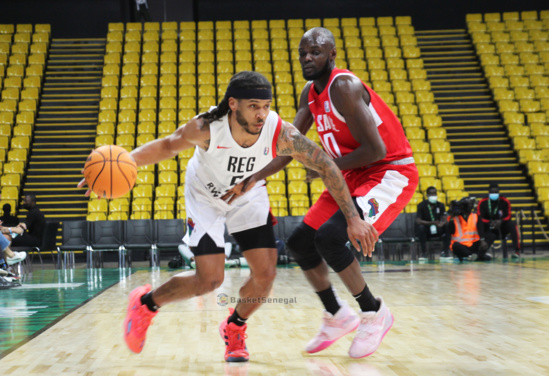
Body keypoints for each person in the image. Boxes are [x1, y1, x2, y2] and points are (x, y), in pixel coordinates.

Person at [78, 71, 378, 362]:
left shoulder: (280, 133)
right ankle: (146, 304)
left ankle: (234, 327)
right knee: (209, 280)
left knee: (266, 274)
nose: (261, 114)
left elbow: (326, 165)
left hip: (246, 195)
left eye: (265, 107)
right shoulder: (207, 127)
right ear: (233, 104)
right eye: (253, 107)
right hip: (205, 196)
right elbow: (169, 146)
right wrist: (119, 163)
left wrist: (352, 217)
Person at [224, 28, 418, 358]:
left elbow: (375, 149)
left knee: (330, 238)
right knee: (300, 242)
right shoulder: (309, 94)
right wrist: (254, 177)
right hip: (347, 173)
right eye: (302, 53)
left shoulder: (344, 86)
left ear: (332, 54)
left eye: (314, 52)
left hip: (388, 171)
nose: (307, 58)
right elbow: (288, 147)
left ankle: (373, 313)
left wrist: (326, 166)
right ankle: (336, 315)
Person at [477, 183, 521, 259]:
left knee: (512, 224)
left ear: (499, 192)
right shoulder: (482, 202)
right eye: (492, 192)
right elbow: (479, 218)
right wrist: (490, 222)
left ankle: (516, 251)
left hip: (501, 226)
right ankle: (482, 252)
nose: (494, 194)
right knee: (481, 226)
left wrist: (501, 221)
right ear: (489, 193)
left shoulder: (505, 201)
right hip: (488, 227)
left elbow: (508, 216)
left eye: (496, 192)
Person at [448, 197, 496, 262]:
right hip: (461, 245)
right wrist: (452, 216)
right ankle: (477, 256)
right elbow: (451, 231)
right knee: (455, 246)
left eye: (471, 204)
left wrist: (482, 240)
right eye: (469, 204)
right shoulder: (454, 217)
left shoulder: (475, 216)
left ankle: (474, 256)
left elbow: (481, 229)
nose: (471, 206)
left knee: (491, 235)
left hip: (474, 244)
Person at [415, 186, 450, 260]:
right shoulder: (421, 205)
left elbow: (445, 218)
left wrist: (442, 223)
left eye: (434, 194)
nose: (433, 196)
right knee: (421, 228)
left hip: (438, 228)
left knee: (447, 226)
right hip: (426, 229)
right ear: (427, 195)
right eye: (431, 194)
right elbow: (418, 220)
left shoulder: (441, 205)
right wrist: (431, 222)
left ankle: (445, 252)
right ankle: (424, 253)